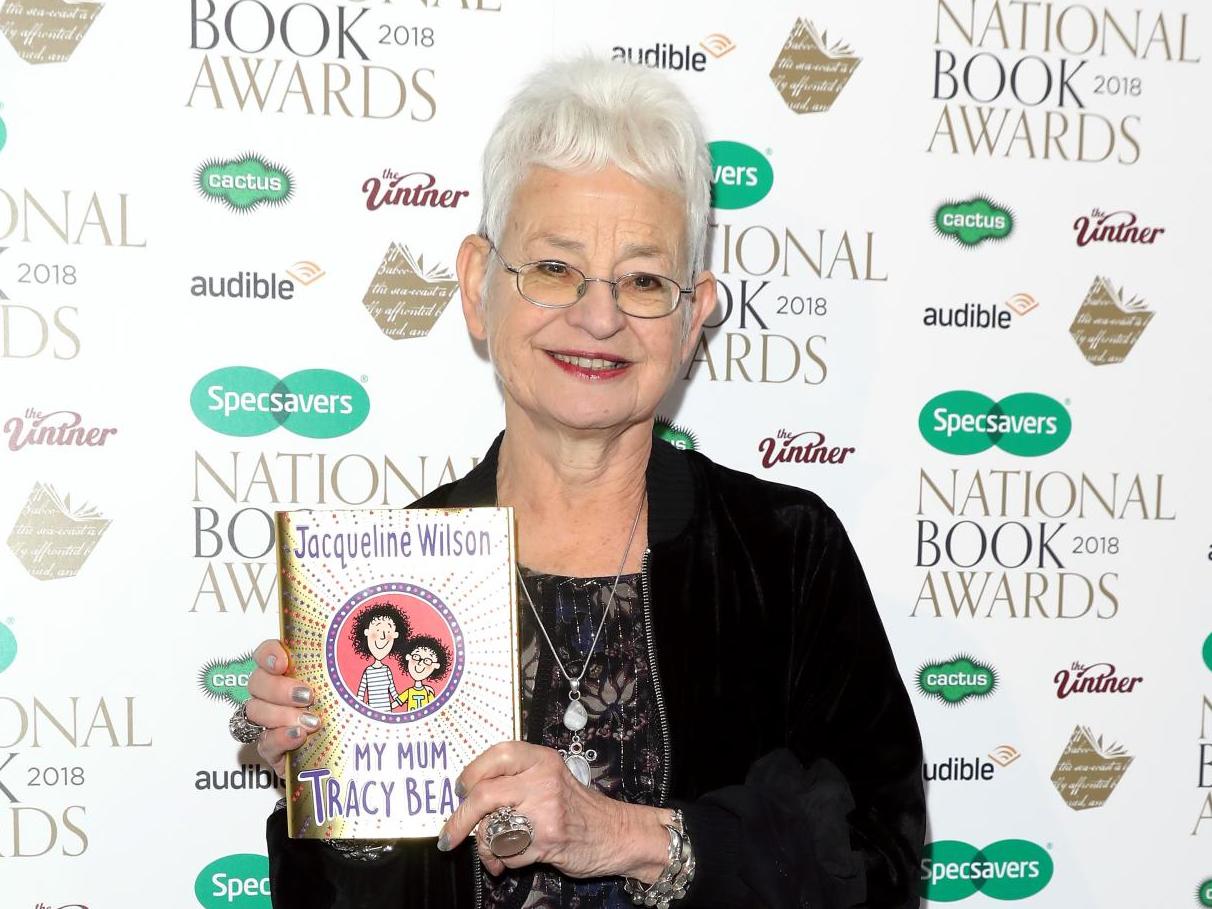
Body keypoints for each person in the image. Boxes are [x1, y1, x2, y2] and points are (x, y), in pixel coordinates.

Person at [236, 56, 925, 908]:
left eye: (642, 279)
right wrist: (326, 783)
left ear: (692, 316)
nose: (598, 318)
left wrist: (626, 836)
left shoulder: (784, 552)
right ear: (478, 288)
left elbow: (879, 866)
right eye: (555, 269)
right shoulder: (384, 577)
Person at [398, 635, 451, 711]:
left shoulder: (428, 692)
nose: (420, 663)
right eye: (416, 656)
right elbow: (397, 702)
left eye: (427, 661)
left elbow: (434, 708)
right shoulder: (409, 692)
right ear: (408, 657)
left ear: (436, 666)